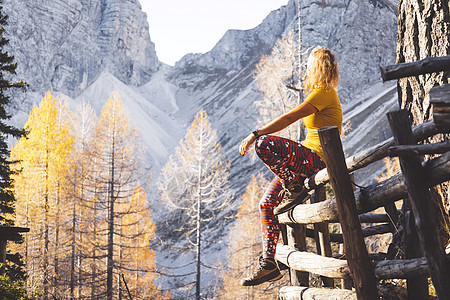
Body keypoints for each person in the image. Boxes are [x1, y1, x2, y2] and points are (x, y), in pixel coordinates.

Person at [238, 46, 342, 286]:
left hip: (316, 160)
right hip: (304, 160)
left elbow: (289, 118)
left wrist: (256, 132)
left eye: (308, 65)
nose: (305, 69)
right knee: (266, 205)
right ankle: (269, 264)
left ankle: (292, 187)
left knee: (263, 143)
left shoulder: (325, 93)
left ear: (317, 67)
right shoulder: (319, 93)